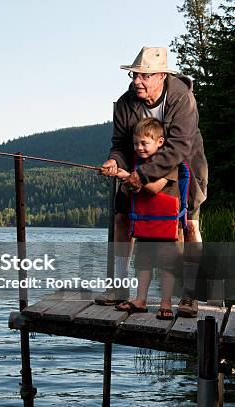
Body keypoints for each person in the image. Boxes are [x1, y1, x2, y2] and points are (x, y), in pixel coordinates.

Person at [96, 46, 208, 318]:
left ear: (161, 76)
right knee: (122, 217)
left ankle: (189, 296)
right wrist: (115, 162)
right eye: (135, 75)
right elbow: (121, 144)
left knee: (188, 225)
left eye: (144, 76)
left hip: (185, 167)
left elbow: (180, 146)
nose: (137, 81)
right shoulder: (125, 103)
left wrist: (142, 175)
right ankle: (120, 287)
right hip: (137, 169)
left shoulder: (182, 97)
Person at [113, 118, 183, 319]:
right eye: (136, 144)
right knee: (142, 264)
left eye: (144, 143)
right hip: (144, 226)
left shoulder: (168, 164)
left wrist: (129, 177)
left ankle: (166, 303)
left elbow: (153, 189)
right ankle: (140, 299)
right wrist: (126, 180)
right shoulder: (138, 164)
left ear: (160, 142)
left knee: (166, 267)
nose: (139, 148)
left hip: (164, 228)